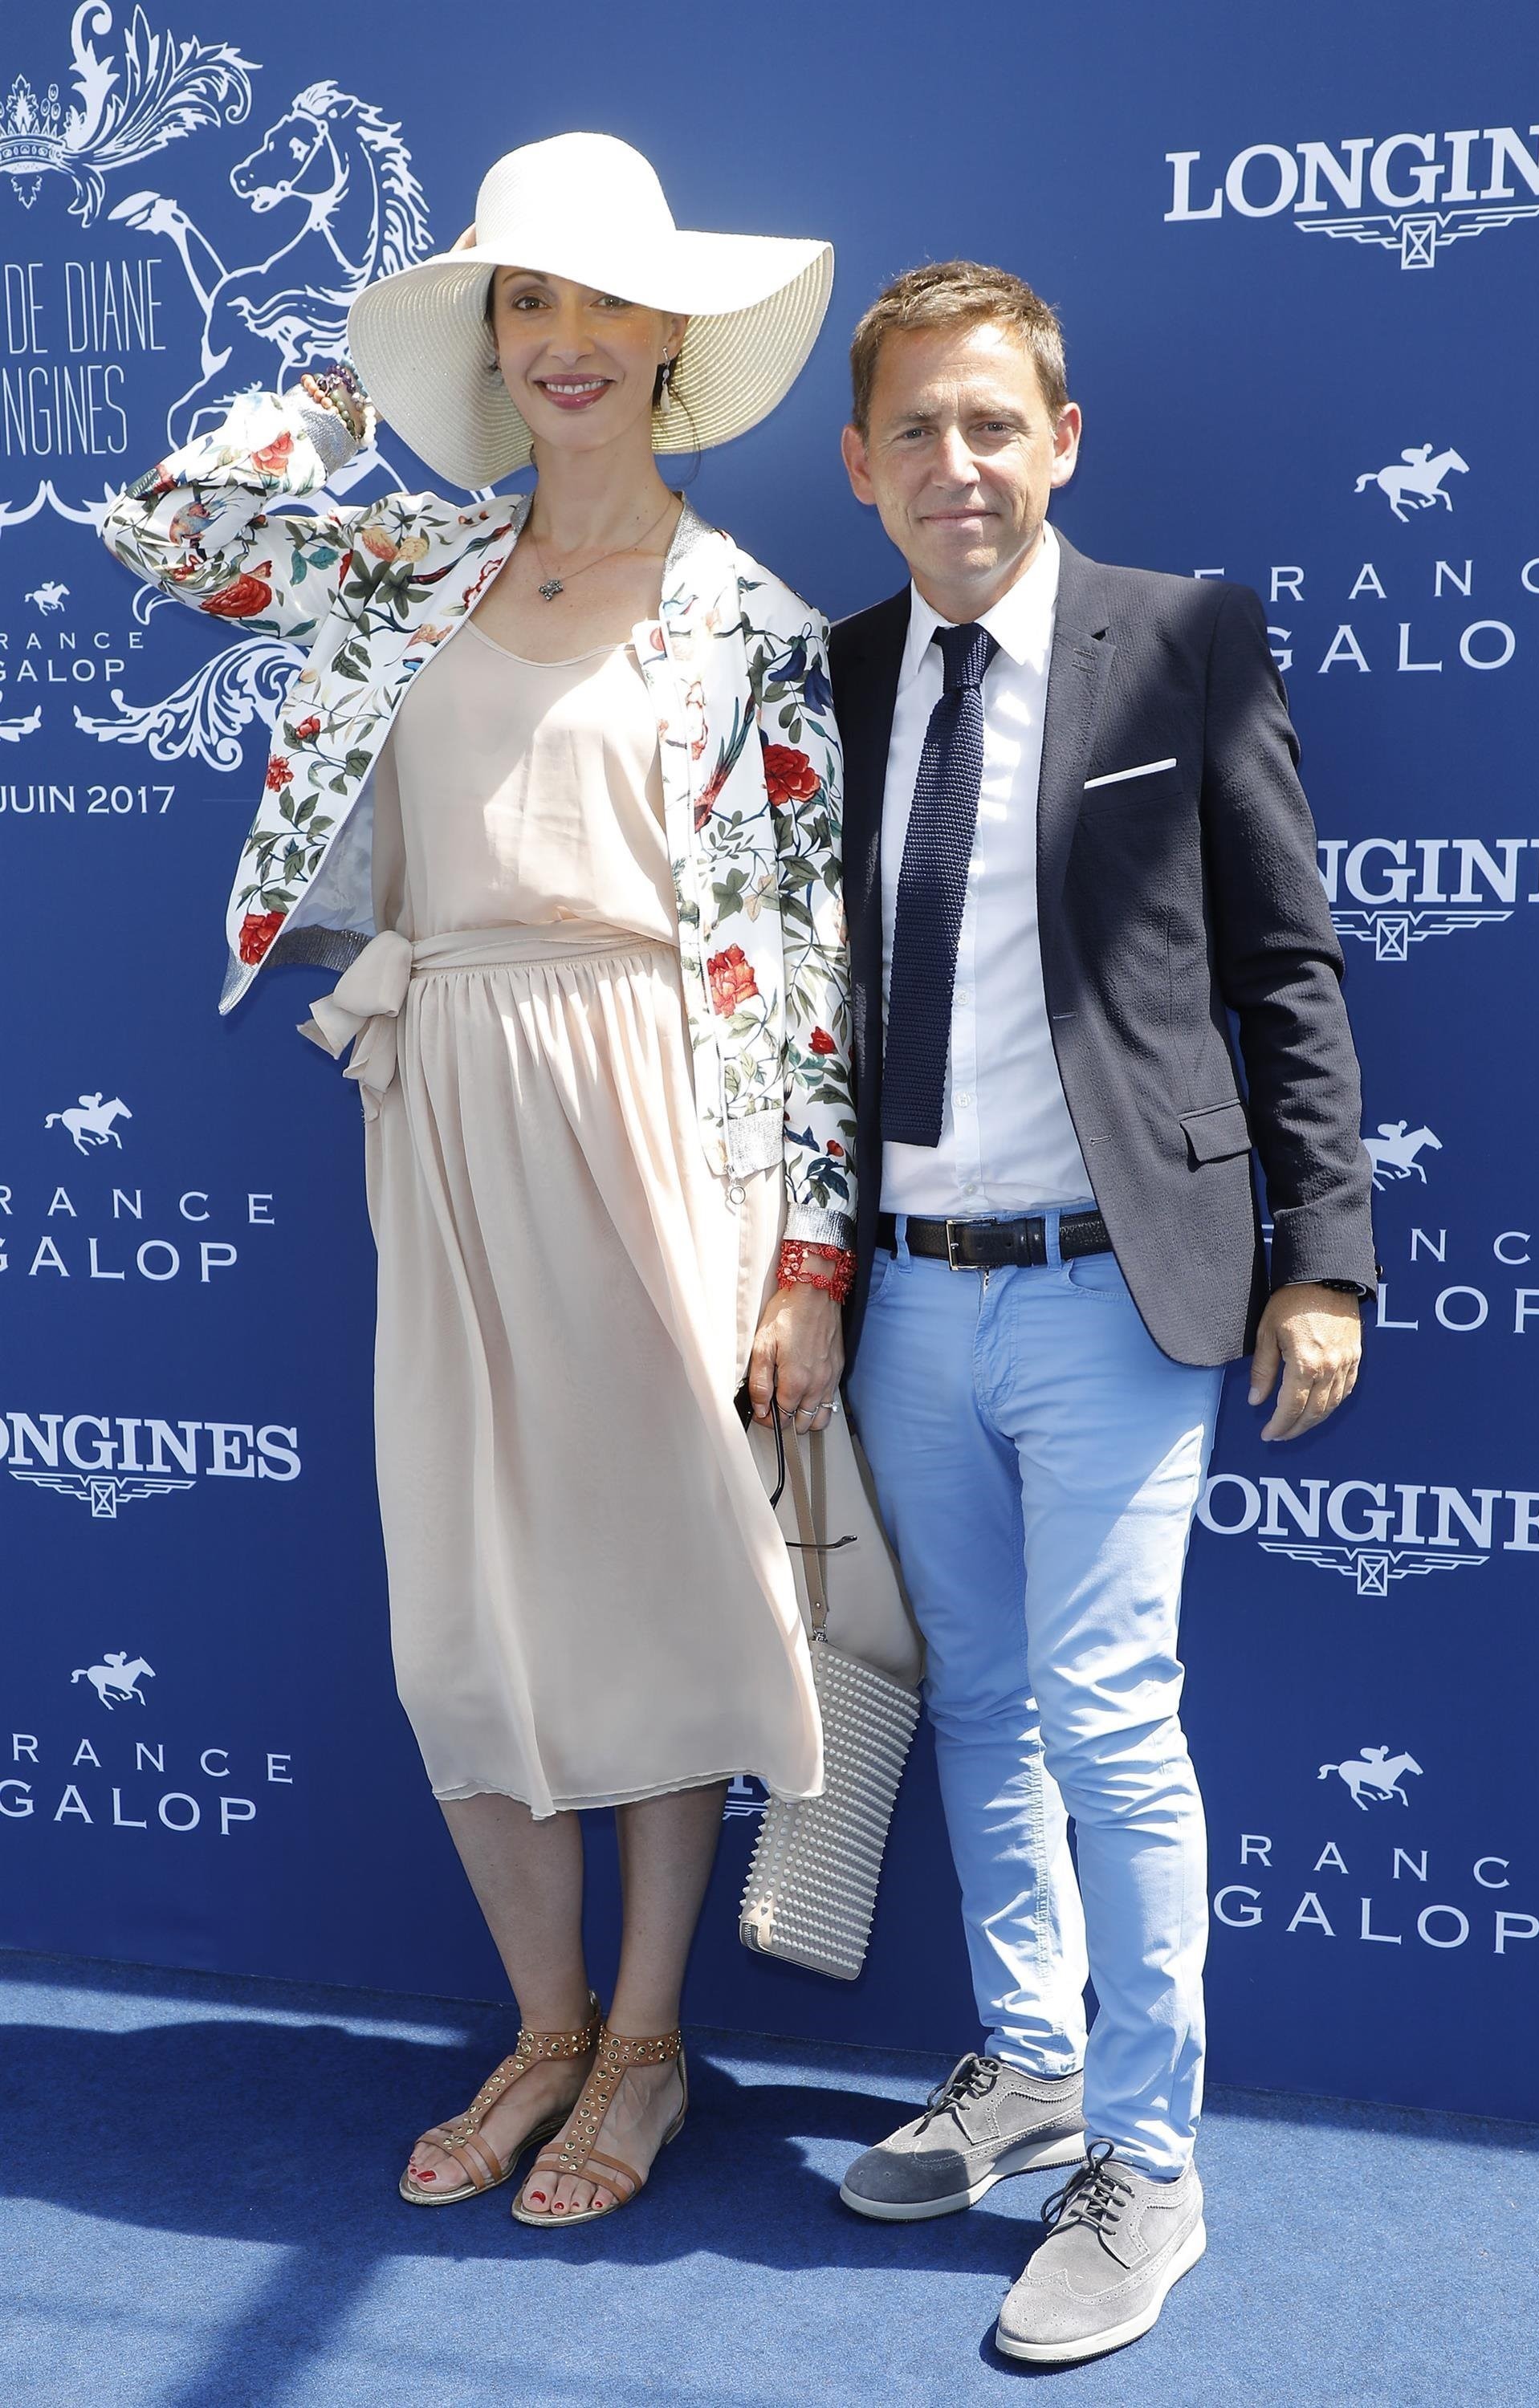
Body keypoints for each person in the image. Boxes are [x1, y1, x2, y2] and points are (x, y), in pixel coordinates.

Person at [103, 132, 855, 2228]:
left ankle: (643, 2041)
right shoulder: (401, 569)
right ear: (489, 337)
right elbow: (170, 528)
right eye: (525, 300)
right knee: (464, 1602)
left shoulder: (750, 623)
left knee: (649, 1590)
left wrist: (805, 1255)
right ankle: (538, 2028)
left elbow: (809, 963)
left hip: (660, 1115)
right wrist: (347, 399)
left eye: (605, 299)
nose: (566, 339)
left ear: (672, 335)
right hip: (439, 1104)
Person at [828, 262, 1374, 2361]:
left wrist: (1321, 1254)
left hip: (1115, 1291)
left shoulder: (1183, 640)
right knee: (977, 1701)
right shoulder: (834, 677)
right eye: (915, 429)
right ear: (860, 465)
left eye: (993, 423)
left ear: (1060, 441)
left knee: (1107, 1717)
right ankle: (1029, 2064)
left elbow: (1286, 964)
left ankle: (1149, 2161)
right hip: (904, 1296)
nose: (954, 463)